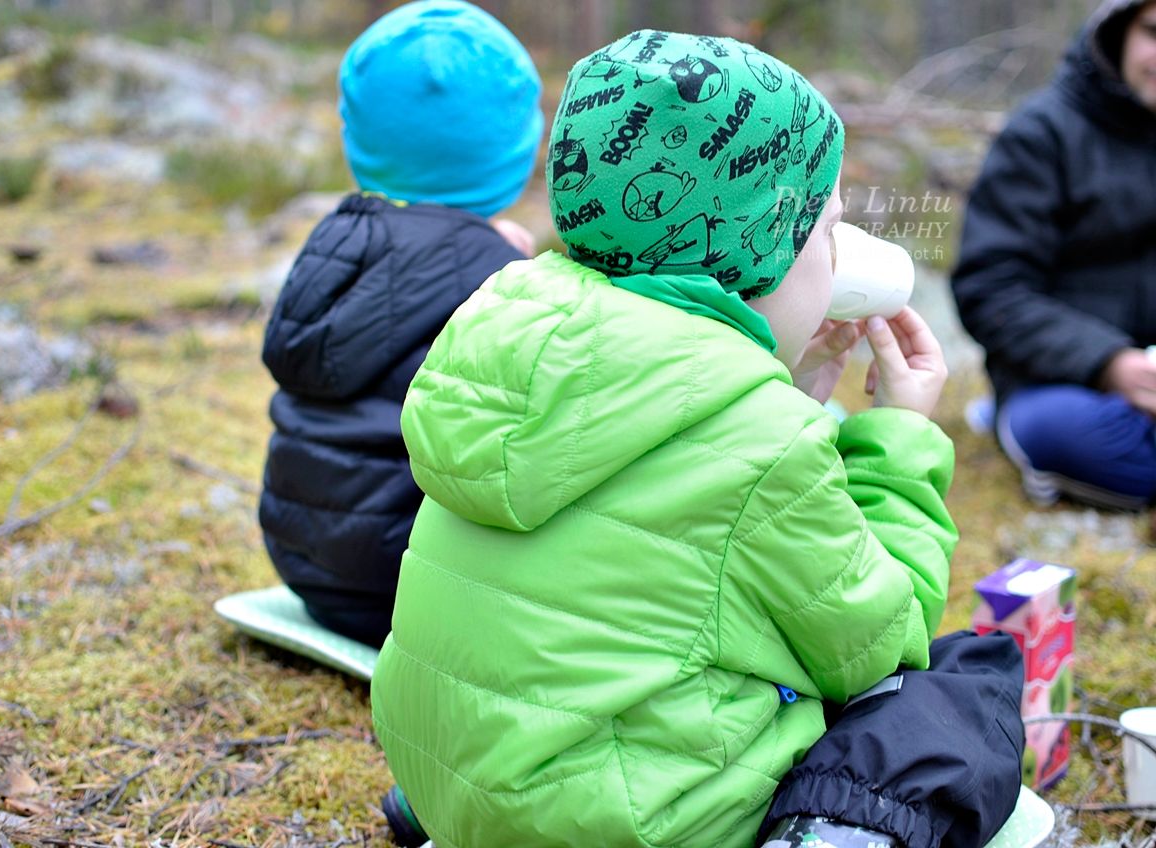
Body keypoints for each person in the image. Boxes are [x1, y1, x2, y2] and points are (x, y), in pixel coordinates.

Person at [371, 30, 1024, 848]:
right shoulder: (763, 440)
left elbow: (665, 509)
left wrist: (784, 391)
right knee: (965, 685)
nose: (835, 257)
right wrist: (901, 435)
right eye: (826, 228)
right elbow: (880, 640)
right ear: (762, 244)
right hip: (628, 827)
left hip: (450, 779)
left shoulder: (505, 333)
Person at [257, 0, 542, 648]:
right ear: (517, 148)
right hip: (415, 585)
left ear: (357, 138)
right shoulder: (506, 283)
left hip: (305, 565)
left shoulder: (334, 247)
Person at [952, 0, 1156, 509]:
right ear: (1118, 32)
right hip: (1063, 382)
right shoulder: (1042, 132)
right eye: (1153, 32)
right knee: (1063, 432)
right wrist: (1109, 363)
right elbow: (990, 289)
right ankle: (1009, 424)